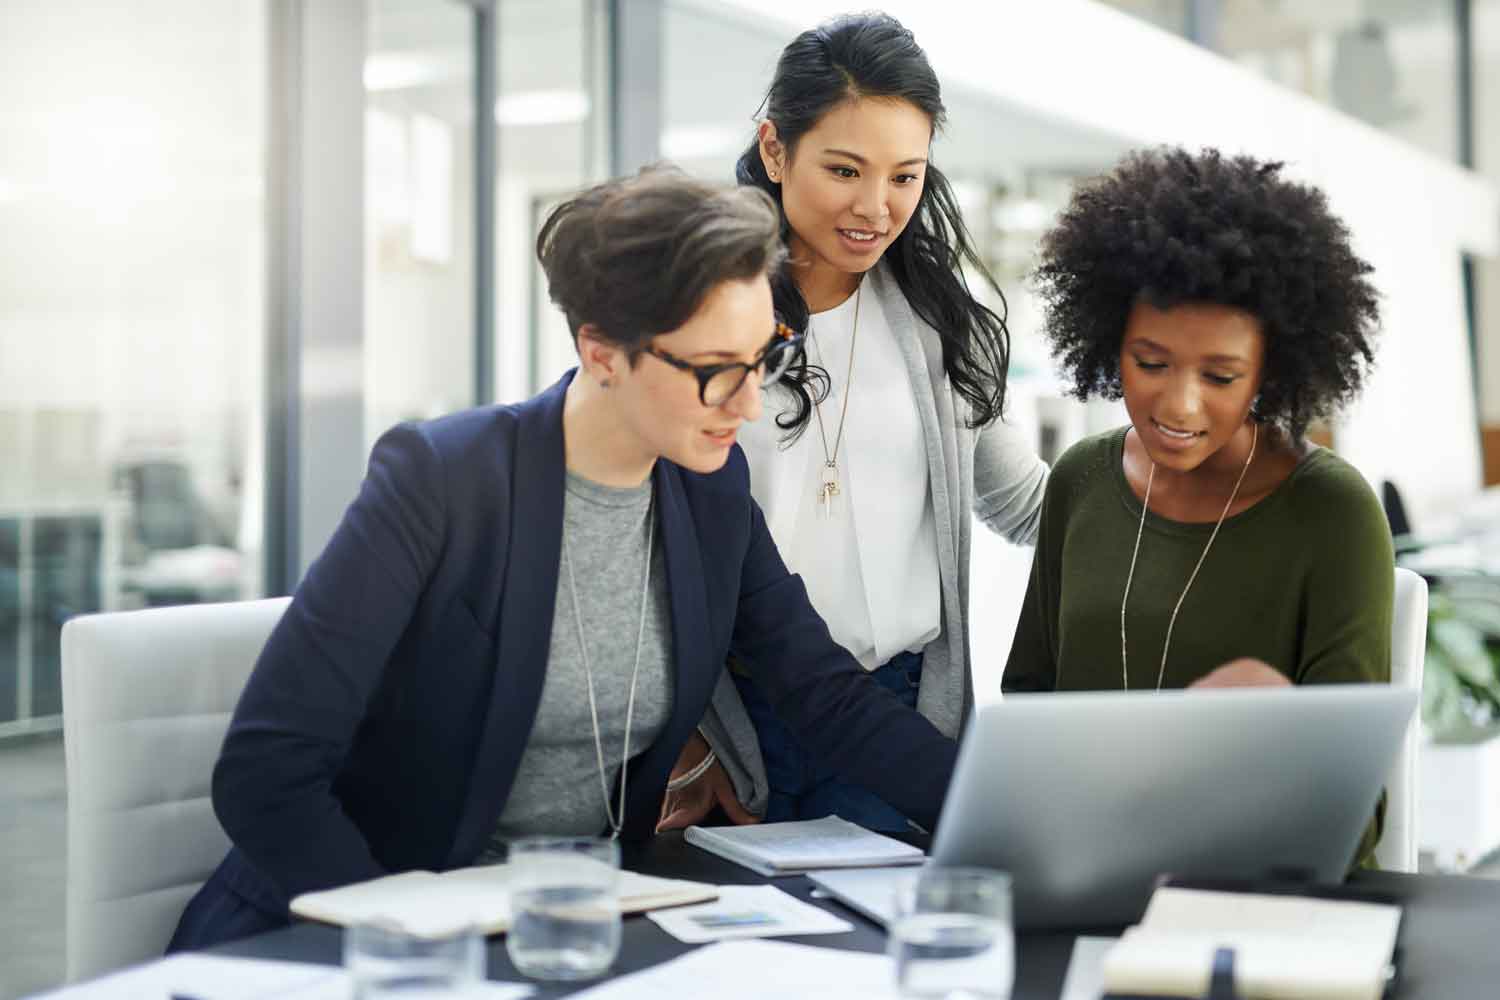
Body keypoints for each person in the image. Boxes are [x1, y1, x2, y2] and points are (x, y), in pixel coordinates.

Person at [167, 167, 959, 951]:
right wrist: (412, 943)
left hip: (566, 931)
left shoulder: (707, 495)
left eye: (764, 361)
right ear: (603, 351)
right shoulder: (443, 480)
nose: (749, 405)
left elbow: (823, 694)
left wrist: (995, 807)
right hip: (359, 938)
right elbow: (266, 774)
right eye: (718, 372)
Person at [657, 12, 1047, 836]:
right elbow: (639, 538)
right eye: (844, 169)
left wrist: (1189, 489)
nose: (876, 207)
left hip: (899, 717)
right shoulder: (698, 316)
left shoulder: (942, 325)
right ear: (774, 150)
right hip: (732, 724)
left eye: (905, 177)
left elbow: (1026, 504)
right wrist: (686, 738)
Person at [1000, 147, 1391, 864]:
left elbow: (1354, 810)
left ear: (1271, 372)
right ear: (1107, 342)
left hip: (1259, 894)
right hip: (1085, 871)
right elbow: (1028, 706)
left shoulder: (1333, 514)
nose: (1178, 405)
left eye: (1220, 375)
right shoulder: (1081, 479)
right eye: (1150, 363)